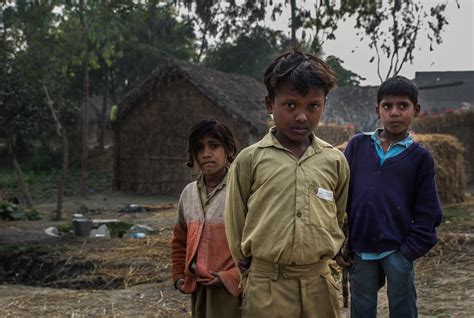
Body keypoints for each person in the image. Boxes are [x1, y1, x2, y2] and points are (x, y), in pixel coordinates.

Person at [224, 49, 350, 318]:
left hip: (318, 282)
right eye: (290, 105)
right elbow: (235, 220)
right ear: (270, 104)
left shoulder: (335, 161)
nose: (302, 116)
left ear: (324, 105)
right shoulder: (250, 160)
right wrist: (248, 266)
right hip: (267, 285)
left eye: (313, 106)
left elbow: (337, 215)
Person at [340, 75, 443, 318]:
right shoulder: (357, 146)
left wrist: (409, 251)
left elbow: (429, 212)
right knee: (362, 306)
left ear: (415, 110)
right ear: (378, 109)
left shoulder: (420, 158)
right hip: (361, 248)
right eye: (387, 106)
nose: (394, 113)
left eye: (403, 106)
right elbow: (341, 195)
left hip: (398, 249)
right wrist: (343, 240)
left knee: (403, 307)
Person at [171, 119, 241, 318]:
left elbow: (256, 244)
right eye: (199, 148)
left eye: (214, 146)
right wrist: (178, 275)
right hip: (198, 287)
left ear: (228, 150)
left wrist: (231, 276)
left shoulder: (240, 191)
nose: (206, 153)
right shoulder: (188, 193)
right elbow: (180, 240)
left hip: (232, 290)